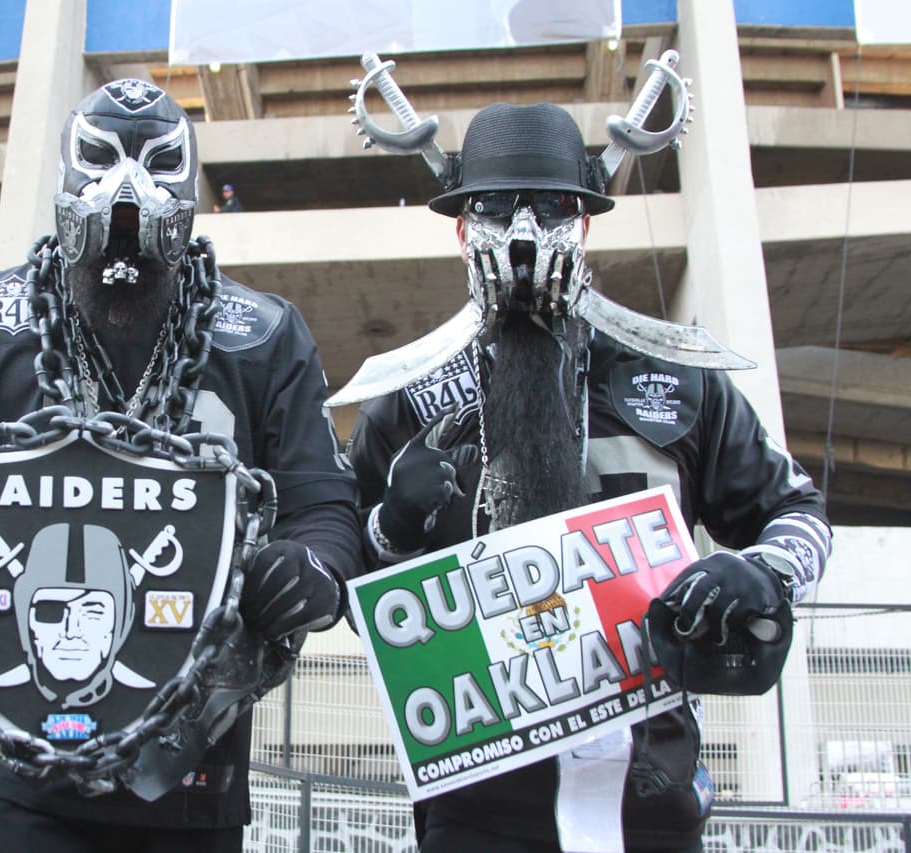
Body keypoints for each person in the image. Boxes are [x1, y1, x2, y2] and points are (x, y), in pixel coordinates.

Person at [0, 78, 359, 853]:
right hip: (9, 769)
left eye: (157, 163)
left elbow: (325, 507)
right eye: (102, 159)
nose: (127, 191)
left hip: (191, 765)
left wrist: (310, 570)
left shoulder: (264, 335)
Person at [346, 102, 832, 852]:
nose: (523, 235)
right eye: (495, 209)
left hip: (652, 796)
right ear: (460, 228)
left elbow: (797, 510)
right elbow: (351, 586)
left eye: (551, 209)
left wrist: (763, 572)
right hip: (476, 804)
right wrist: (391, 528)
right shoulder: (409, 404)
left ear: (586, 223)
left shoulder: (679, 383)